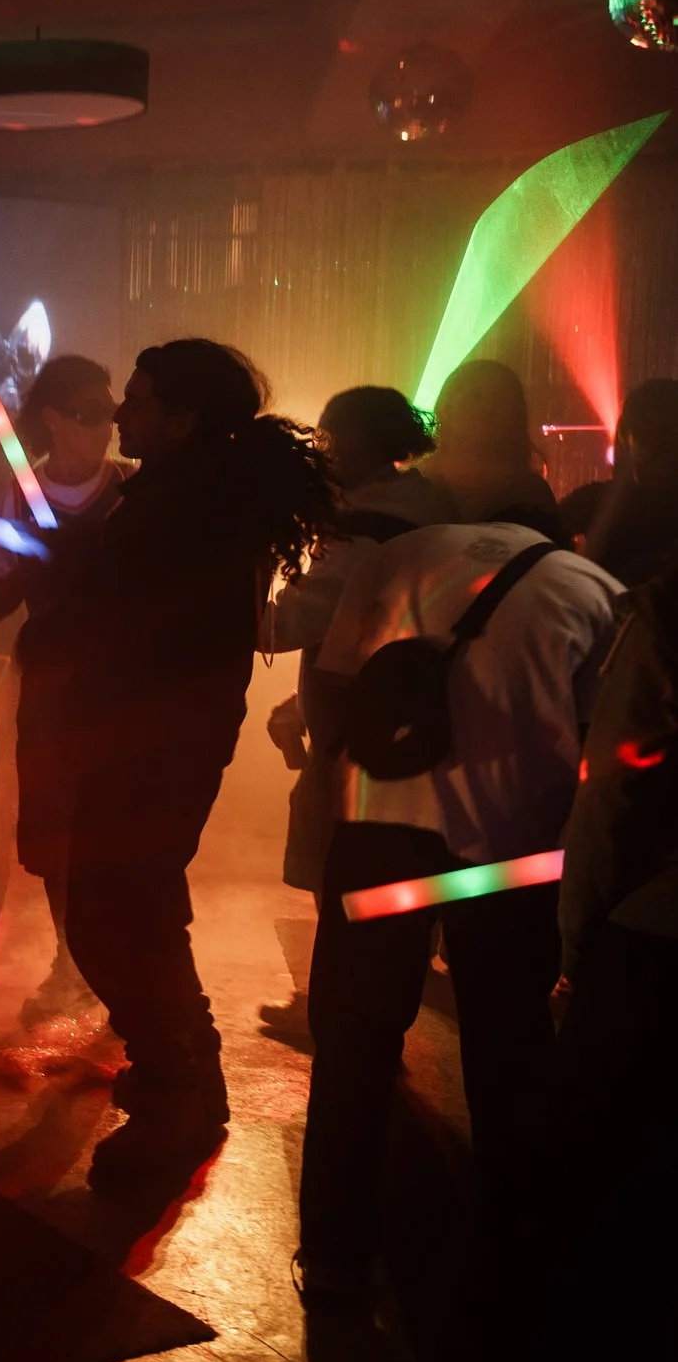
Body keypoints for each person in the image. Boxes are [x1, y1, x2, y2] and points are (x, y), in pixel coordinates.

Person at [35, 340, 338, 1186]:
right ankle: (192, 1079)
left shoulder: (181, 506)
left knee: (108, 918)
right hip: (164, 741)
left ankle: (172, 1096)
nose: (122, 414)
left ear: (183, 417)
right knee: (146, 909)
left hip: (146, 748)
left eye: (138, 400)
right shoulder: (192, 494)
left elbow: (125, 631)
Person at [293, 521, 620, 1303]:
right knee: (508, 1046)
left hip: (377, 829)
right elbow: (601, 742)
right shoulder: (594, 591)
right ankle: (513, 1249)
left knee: (354, 1043)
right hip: (509, 848)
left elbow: (331, 680)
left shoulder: (395, 557)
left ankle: (335, 1253)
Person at [255, 386, 447, 1045]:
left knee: (345, 875)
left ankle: (347, 1019)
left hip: (362, 732)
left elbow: (296, 620)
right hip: (417, 723)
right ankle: (372, 1009)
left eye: (330, 438)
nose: (322, 452)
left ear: (359, 444)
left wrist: (235, 596)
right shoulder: (430, 506)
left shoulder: (368, 526)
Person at [534, 551, 678, 1362]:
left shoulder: (664, 611)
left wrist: (579, 943)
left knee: (610, 1236)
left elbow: (612, 791)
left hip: (659, 941)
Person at [0, 354, 129, 1023]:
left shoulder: (134, 491)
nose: (107, 427)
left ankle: (119, 969)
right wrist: (41, 560)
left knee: (118, 830)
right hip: (50, 689)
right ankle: (72, 956)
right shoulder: (17, 497)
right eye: (90, 413)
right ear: (55, 420)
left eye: (112, 411)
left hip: (124, 691)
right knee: (55, 834)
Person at [419, 358, 559, 531]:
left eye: (500, 400)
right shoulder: (416, 485)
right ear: (446, 408)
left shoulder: (531, 494)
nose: (488, 408)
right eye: (476, 397)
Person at [581, 377, 678, 585]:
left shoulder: (597, 501)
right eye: (644, 433)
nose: (649, 448)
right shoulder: (596, 500)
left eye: (662, 436)